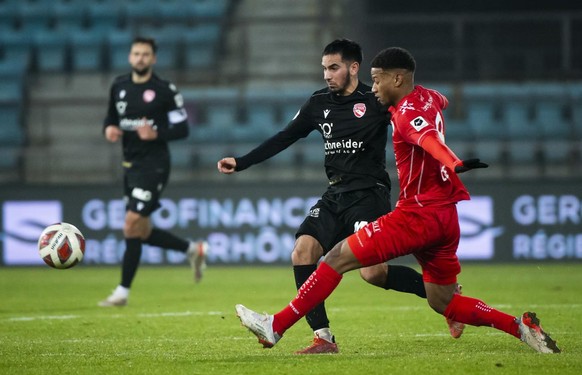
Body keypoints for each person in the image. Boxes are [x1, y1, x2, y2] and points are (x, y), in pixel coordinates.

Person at [234, 47, 561, 354]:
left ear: (397, 79)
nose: (373, 87)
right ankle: (521, 328)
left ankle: (275, 325)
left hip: (417, 216)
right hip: (447, 219)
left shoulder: (403, 114)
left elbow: (428, 139)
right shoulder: (428, 97)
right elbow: (442, 101)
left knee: (335, 258)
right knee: (442, 302)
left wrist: (454, 163)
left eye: (377, 79)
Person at [218, 39, 464, 354]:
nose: (327, 75)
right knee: (302, 251)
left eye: (333, 68)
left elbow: (413, 117)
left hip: (369, 194)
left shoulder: (375, 99)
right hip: (335, 193)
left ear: (353, 67)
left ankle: (449, 300)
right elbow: (285, 136)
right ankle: (323, 337)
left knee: (372, 273)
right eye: (324, 68)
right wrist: (242, 162)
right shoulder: (318, 102)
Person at [99, 37, 208, 307]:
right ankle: (192, 249)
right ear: (130, 57)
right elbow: (111, 118)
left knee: (130, 223)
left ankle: (122, 292)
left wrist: (155, 132)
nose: (140, 58)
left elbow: (183, 128)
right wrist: (109, 129)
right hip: (130, 165)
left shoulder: (164, 90)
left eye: (145, 54)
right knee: (142, 231)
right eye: (136, 53)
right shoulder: (119, 86)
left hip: (154, 165)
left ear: (153, 59)